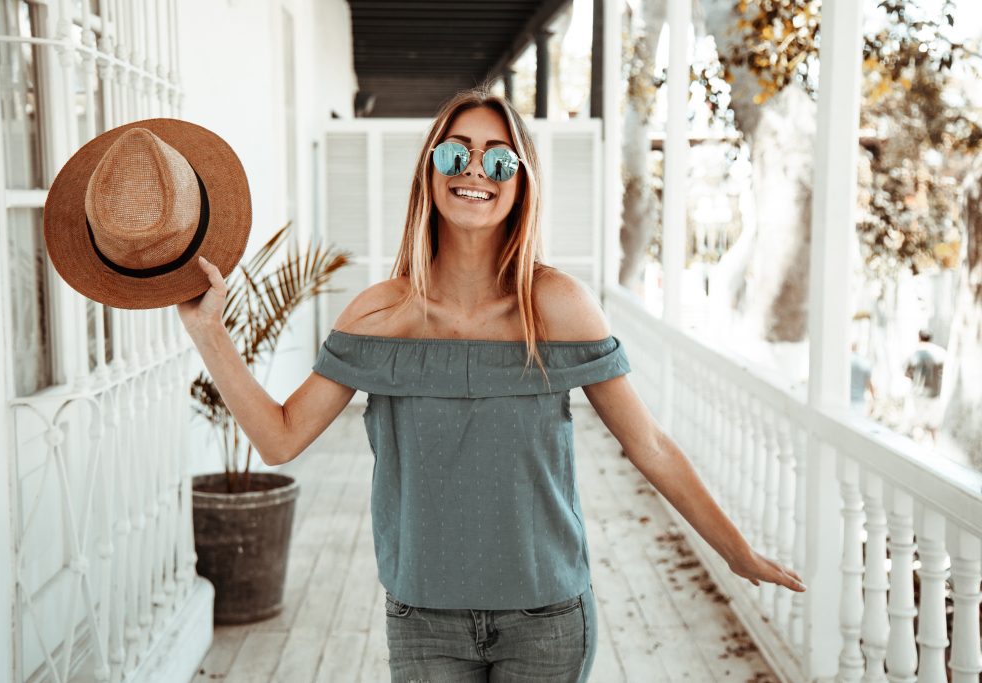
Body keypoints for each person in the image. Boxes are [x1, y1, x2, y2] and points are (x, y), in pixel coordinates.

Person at [176, 88, 805, 682]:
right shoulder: (378, 317)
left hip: (547, 616)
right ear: (430, 171)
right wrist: (210, 333)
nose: (475, 171)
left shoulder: (558, 306)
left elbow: (651, 446)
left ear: (521, 183)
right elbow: (280, 439)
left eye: (499, 159)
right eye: (455, 152)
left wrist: (735, 550)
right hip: (423, 616)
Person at [903, 329, 946, 444]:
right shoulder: (940, 352)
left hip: (918, 393)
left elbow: (906, 372)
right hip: (934, 393)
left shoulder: (914, 351)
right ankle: (935, 449)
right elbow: (943, 372)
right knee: (934, 424)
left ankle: (918, 449)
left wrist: (917, 377)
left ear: (919, 337)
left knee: (918, 423)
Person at [850, 340, 875, 417]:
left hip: (845, 401)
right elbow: (869, 384)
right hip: (859, 402)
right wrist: (874, 400)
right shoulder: (865, 363)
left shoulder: (845, 360)